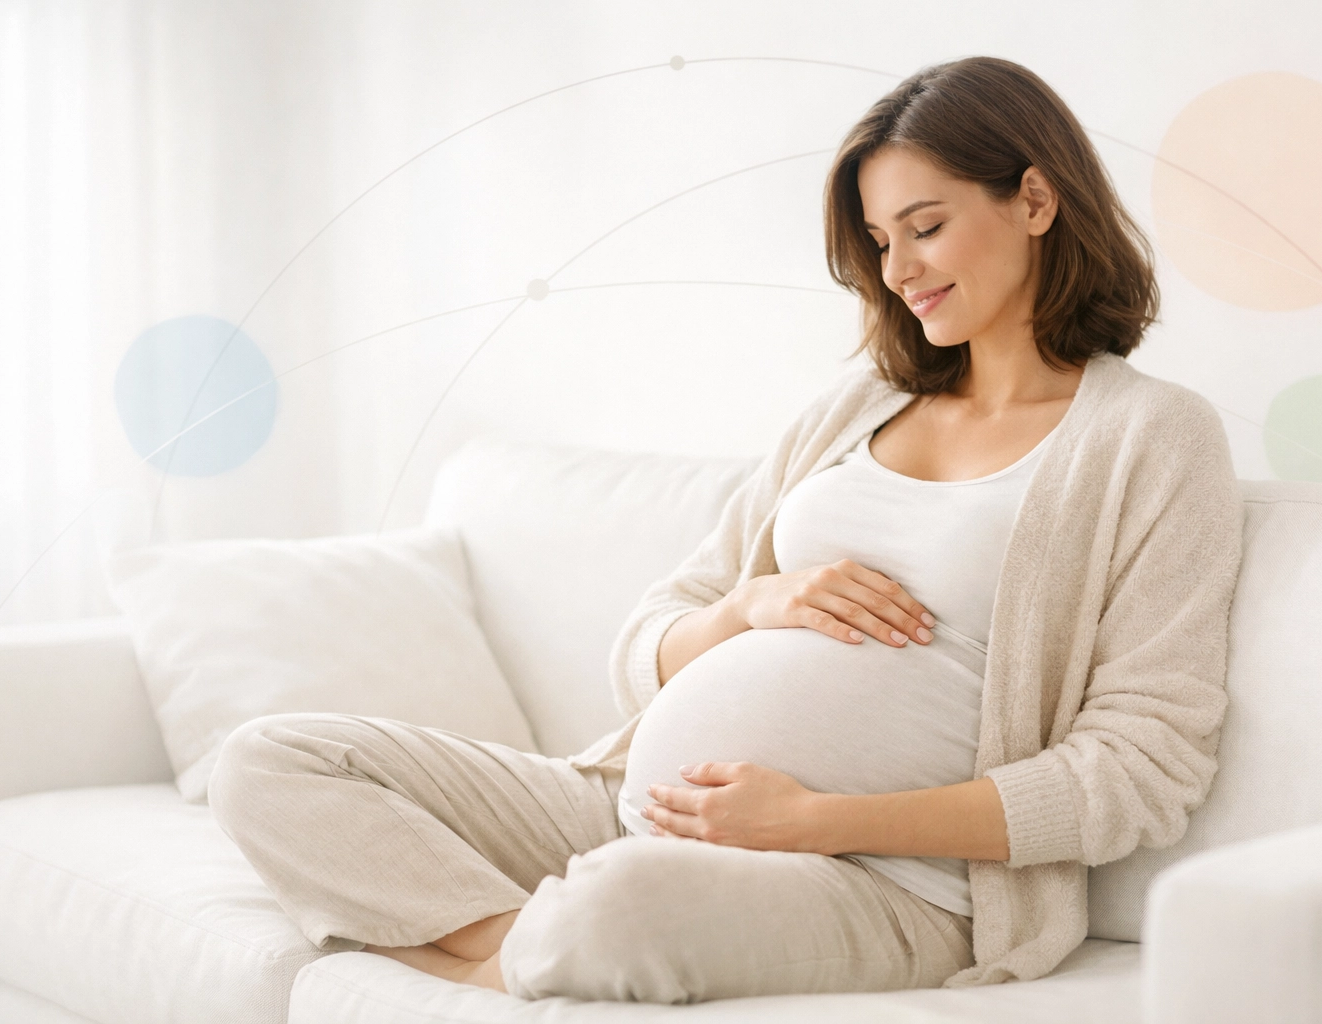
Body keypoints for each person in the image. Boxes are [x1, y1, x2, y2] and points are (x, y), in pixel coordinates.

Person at [208, 55, 1244, 1003]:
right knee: (267, 760)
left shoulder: (1151, 438)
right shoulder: (857, 406)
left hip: (888, 883)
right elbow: (647, 637)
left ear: (1034, 197)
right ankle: (519, 948)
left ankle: (502, 944)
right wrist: (755, 603)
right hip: (628, 809)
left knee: (623, 907)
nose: (898, 270)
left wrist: (815, 821)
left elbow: (1139, 771)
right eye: (881, 243)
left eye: (924, 227)